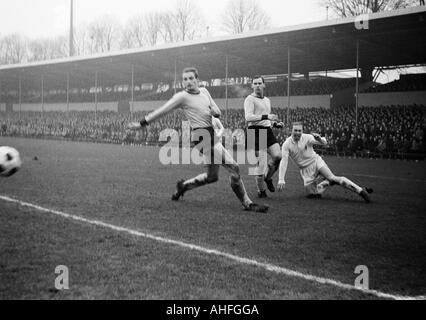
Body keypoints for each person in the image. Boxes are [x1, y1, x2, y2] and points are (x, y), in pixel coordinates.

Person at [128, 67, 268, 213]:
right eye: (185, 79)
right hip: (201, 136)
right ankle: (247, 203)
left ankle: (183, 186)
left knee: (212, 177)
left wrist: (215, 112)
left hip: (211, 133)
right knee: (234, 167)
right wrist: (141, 124)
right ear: (183, 82)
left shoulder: (205, 91)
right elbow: (162, 110)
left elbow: (217, 111)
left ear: (197, 80)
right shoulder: (181, 97)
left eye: (191, 78)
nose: (188, 82)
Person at [277, 122, 373, 203]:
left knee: (333, 177)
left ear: (302, 131)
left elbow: (324, 143)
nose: (297, 133)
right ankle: (326, 183)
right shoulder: (287, 144)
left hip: (316, 161)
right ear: (291, 131)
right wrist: (281, 179)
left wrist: (319, 139)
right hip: (305, 170)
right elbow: (284, 161)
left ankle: (361, 192)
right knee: (314, 195)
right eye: (295, 130)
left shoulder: (307, 137)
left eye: (299, 131)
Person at [244, 75, 284, 198]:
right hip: (254, 132)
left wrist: (275, 124)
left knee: (278, 156)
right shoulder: (249, 99)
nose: (257, 86)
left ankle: (268, 178)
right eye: (254, 83)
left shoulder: (267, 100)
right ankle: (261, 191)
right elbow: (248, 117)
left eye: (259, 83)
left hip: (266, 130)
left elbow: (266, 120)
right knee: (260, 164)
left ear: (263, 85)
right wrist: (267, 117)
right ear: (252, 86)